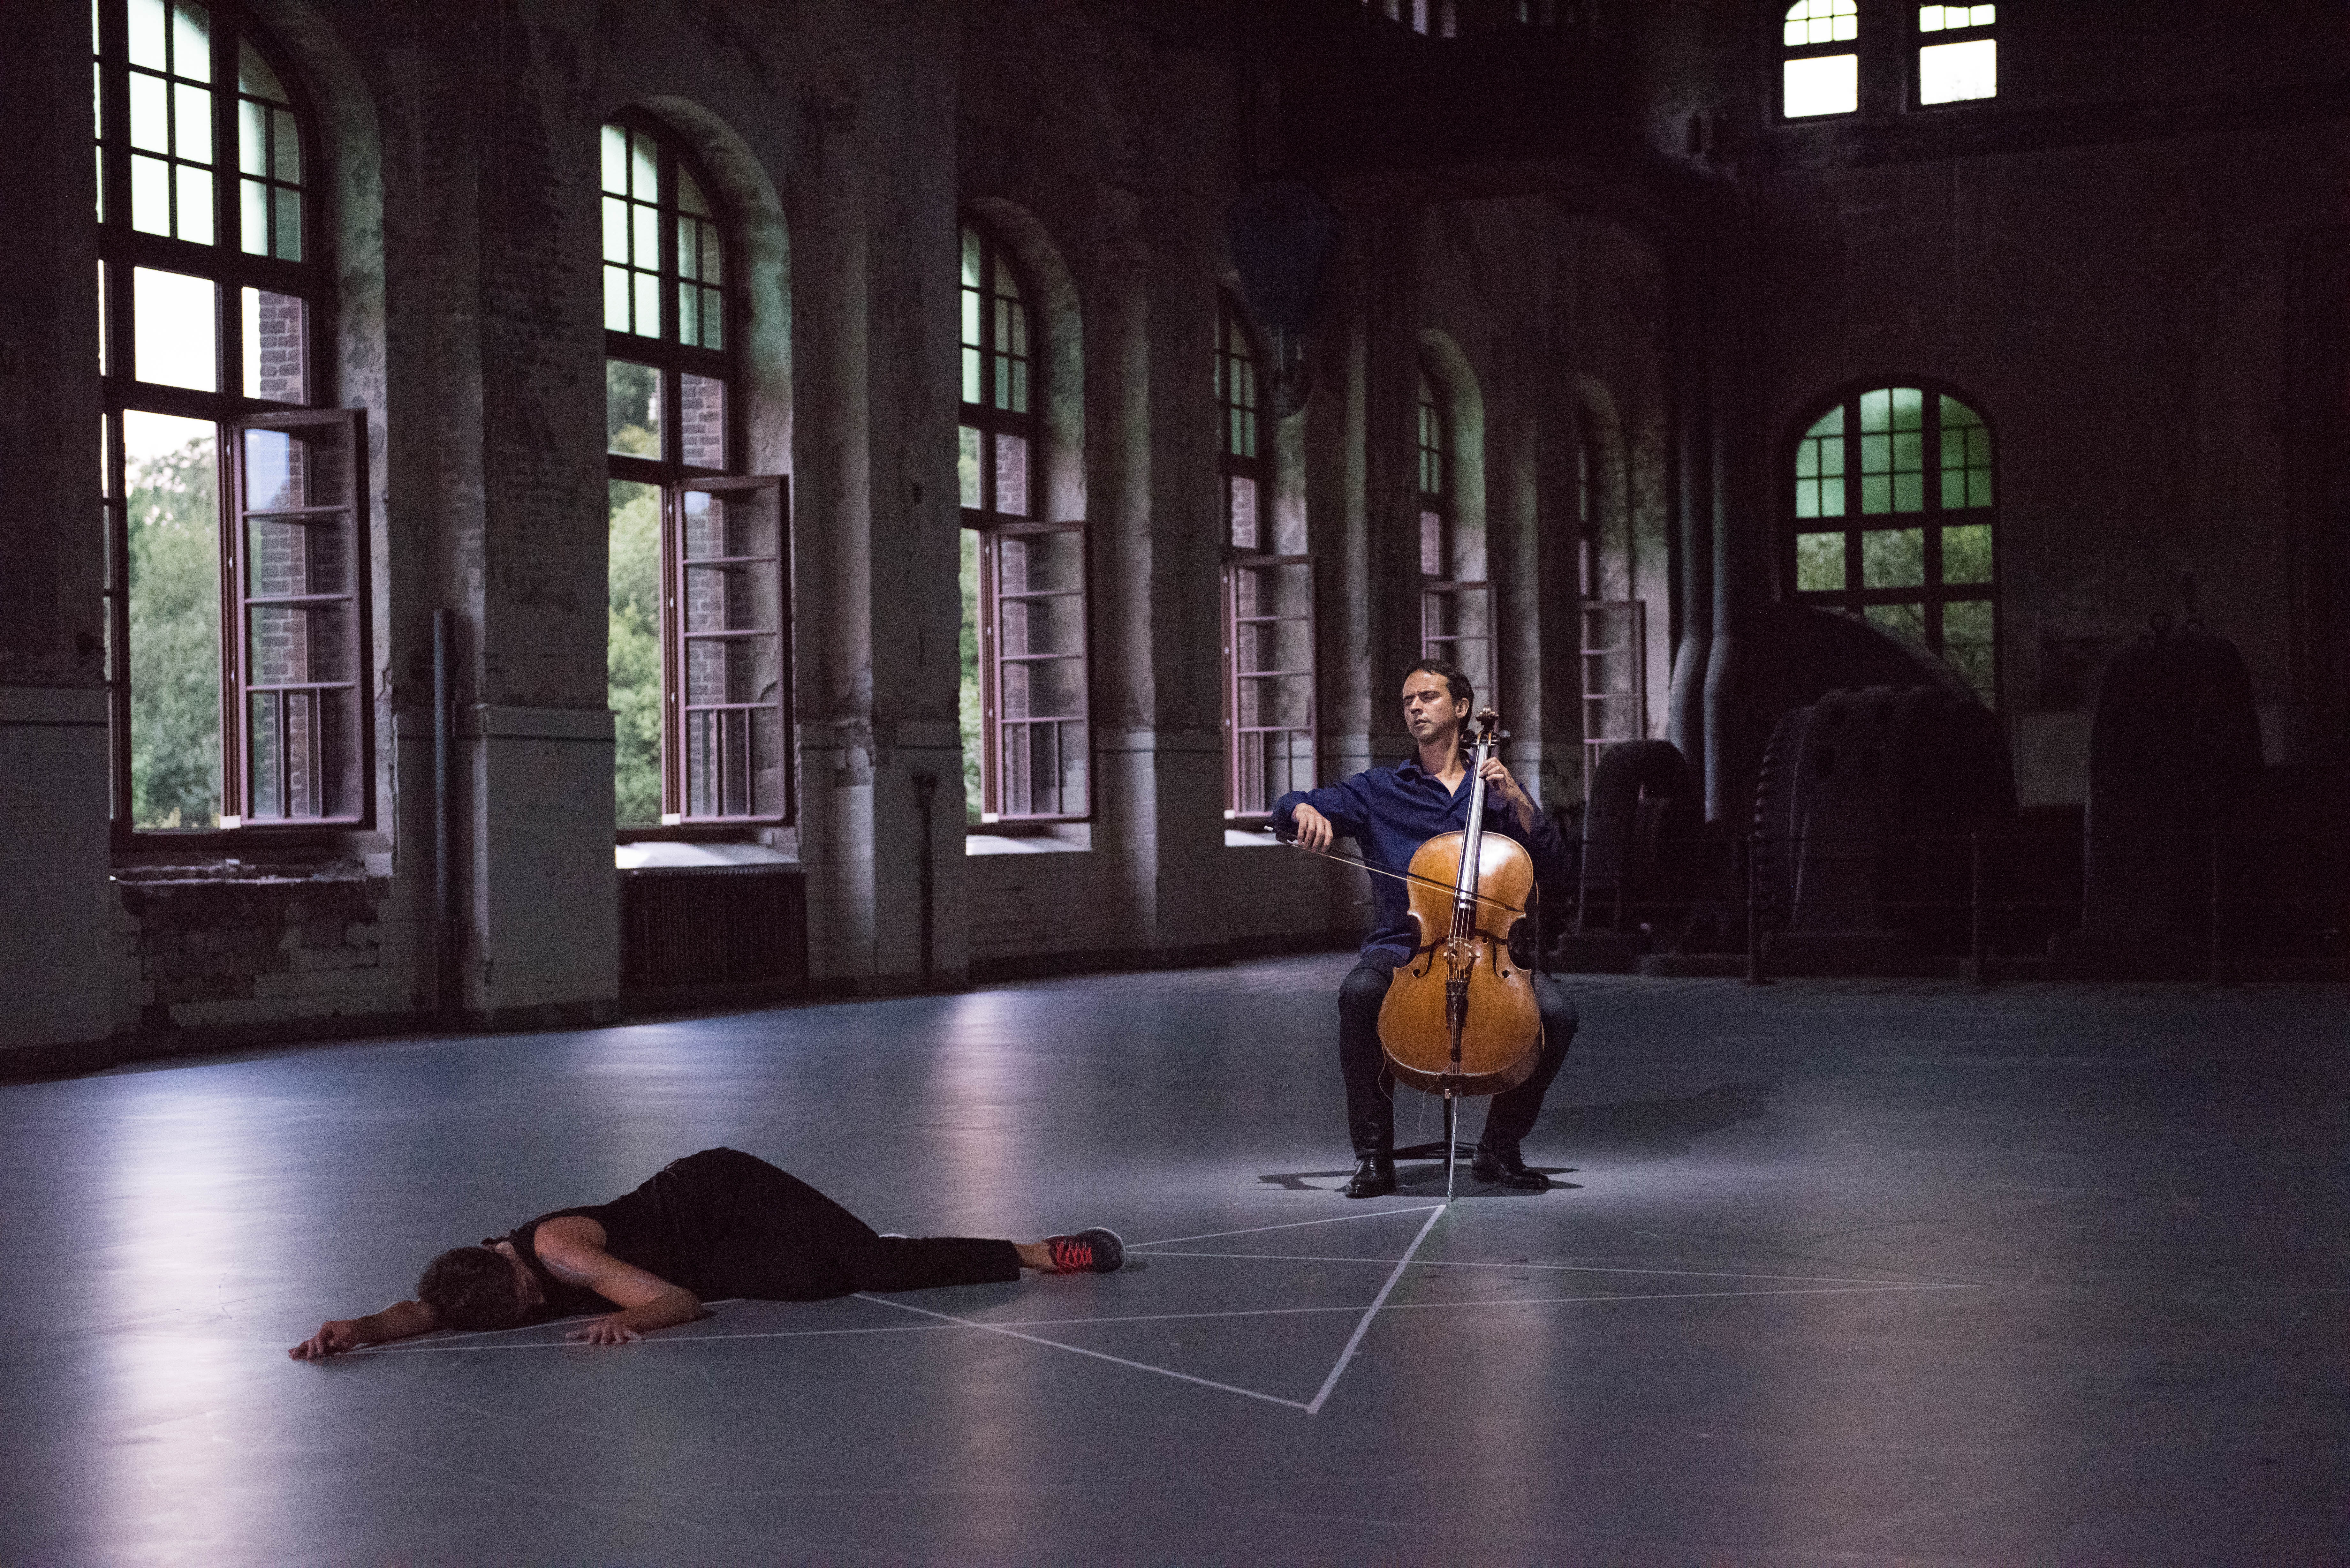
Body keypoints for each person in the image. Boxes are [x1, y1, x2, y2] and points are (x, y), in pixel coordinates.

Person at [288, 1146, 1123, 1359]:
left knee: (869, 1264)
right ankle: (878, 1248)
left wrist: (634, 1325)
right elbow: (423, 1310)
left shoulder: (562, 1255)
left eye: (529, 1299)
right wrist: (354, 1329)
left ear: (515, 1268)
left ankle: (1041, 1251)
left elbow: (679, 1305)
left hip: (718, 1195)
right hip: (705, 1258)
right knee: (818, 1282)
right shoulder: (476, 1282)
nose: (539, 1309)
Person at [1274, 658, 1577, 1198]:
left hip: (1491, 950)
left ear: (1462, 709)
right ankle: (1373, 1156)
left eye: (1428, 697)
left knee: (1557, 1016)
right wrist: (1301, 810)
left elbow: (1555, 866)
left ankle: (1499, 1146)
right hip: (1404, 947)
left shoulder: (1497, 789)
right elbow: (1291, 807)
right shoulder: (1380, 789)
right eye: (1408, 700)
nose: (1415, 707)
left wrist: (1517, 801)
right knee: (1359, 995)